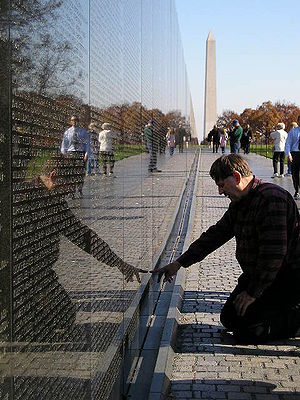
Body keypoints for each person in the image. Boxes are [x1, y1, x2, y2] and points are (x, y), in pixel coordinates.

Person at [152, 154, 300, 344]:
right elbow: (216, 235)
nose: (220, 192)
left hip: (286, 278)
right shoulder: (241, 202)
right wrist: (179, 263)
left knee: (248, 332)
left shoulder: (271, 200)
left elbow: (273, 256)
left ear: (237, 177)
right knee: (230, 318)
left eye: (222, 185)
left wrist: (253, 293)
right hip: (261, 276)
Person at [13, 154, 142, 343]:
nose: (70, 193)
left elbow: (84, 237)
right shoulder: (20, 197)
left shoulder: (54, 203)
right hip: (19, 278)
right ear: (54, 176)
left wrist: (118, 263)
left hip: (40, 275)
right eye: (70, 186)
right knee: (31, 324)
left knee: (65, 314)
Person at [61, 115, 90, 196]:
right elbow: (64, 144)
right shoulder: (67, 132)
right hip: (70, 153)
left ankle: (80, 189)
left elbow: (87, 144)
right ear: (70, 121)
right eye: (73, 120)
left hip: (80, 153)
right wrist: (64, 154)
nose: (74, 121)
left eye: (76, 120)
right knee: (71, 173)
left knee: (80, 172)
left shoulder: (83, 132)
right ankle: (72, 191)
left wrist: (87, 154)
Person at [285, 115, 300, 199]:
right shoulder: (293, 132)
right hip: (295, 154)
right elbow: (288, 143)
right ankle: (297, 191)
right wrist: (289, 154)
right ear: (298, 121)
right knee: (295, 174)